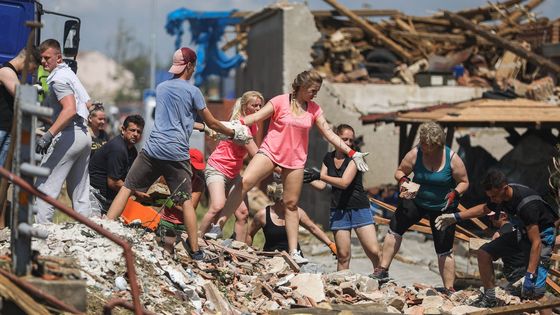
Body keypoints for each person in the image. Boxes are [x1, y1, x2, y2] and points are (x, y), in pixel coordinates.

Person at [105, 47, 251, 261]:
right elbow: (211, 121)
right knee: (185, 202)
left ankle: (105, 230)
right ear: (190, 66)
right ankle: (195, 251)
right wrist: (231, 132)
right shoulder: (193, 92)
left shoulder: (161, 87)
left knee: (127, 187)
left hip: (153, 149)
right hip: (176, 153)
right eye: (193, 66)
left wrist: (203, 128)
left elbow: (182, 119)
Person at [211, 70, 369, 264]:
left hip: (295, 160)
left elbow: (329, 133)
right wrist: (229, 127)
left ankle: (294, 251)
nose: (314, 94)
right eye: (312, 90)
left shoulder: (314, 109)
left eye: (317, 91)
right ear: (301, 87)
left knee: (291, 204)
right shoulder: (279, 101)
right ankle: (218, 226)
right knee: (245, 183)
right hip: (270, 152)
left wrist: (352, 153)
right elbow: (254, 117)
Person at [435, 170, 558, 308]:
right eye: (490, 196)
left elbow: (536, 243)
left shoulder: (527, 205)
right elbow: (485, 209)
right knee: (484, 253)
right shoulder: (501, 196)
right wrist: (455, 217)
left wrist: (529, 275)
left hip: (541, 237)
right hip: (522, 232)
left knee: (535, 292)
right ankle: (490, 298)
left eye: (494, 196)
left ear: (504, 188)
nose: (492, 200)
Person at [371, 121, 468, 292]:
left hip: (442, 205)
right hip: (417, 200)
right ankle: (382, 270)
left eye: (426, 144)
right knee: (395, 227)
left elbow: (464, 182)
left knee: (444, 247)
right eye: (421, 142)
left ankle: (449, 288)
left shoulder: (452, 159)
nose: (423, 146)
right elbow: (400, 171)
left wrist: (455, 193)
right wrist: (403, 181)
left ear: (436, 144)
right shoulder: (415, 154)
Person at [304, 124, 379, 271]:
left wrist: (319, 175)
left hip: (359, 208)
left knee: (373, 251)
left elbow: (344, 183)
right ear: (335, 138)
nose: (348, 144)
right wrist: (303, 178)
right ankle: (341, 287)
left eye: (351, 140)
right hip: (338, 211)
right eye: (345, 139)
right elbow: (321, 185)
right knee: (343, 255)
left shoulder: (355, 157)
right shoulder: (328, 157)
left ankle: (381, 274)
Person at [33, 39, 93, 223]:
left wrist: (49, 135)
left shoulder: (58, 79)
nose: (43, 62)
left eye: (47, 58)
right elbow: (88, 104)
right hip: (83, 135)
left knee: (44, 185)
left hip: (69, 135)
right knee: (80, 191)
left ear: (58, 57)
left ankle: (41, 232)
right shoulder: (69, 74)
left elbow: (69, 109)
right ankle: (87, 230)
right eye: (41, 58)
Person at [199, 91, 264, 241]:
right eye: (254, 105)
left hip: (234, 173)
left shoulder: (254, 127)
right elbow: (257, 155)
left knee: (242, 214)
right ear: (244, 107)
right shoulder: (241, 126)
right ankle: (196, 240)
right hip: (217, 168)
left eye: (260, 105)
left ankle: (238, 249)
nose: (258, 109)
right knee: (217, 206)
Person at [246, 182, 337, 256]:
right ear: (281, 201)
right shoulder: (263, 215)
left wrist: (330, 244)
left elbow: (313, 228)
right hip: (271, 258)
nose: (294, 202)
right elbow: (250, 234)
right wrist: (248, 252)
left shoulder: (297, 212)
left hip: (294, 258)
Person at [88, 115, 144, 216]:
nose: (135, 134)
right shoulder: (118, 148)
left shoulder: (132, 152)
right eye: (132, 130)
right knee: (95, 228)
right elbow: (113, 182)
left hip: (109, 198)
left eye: (139, 132)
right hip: (95, 196)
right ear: (123, 130)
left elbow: (127, 178)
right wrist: (135, 193)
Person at [157, 148, 206, 254]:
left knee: (182, 255)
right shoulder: (170, 175)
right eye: (192, 167)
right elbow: (159, 197)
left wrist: (170, 200)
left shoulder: (199, 182)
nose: (194, 171)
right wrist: (182, 204)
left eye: (196, 168)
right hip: (166, 221)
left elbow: (192, 207)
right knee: (165, 251)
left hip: (184, 225)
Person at [0, 46, 41, 167]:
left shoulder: (11, 74)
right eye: (33, 68)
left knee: (5, 176)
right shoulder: (6, 71)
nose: (32, 73)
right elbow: (23, 96)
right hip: (3, 131)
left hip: (7, 130)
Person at [488, 211, 528, 289]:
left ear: (504, 216)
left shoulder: (504, 229)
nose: (490, 218)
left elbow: (492, 254)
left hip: (516, 271)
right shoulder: (516, 228)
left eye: (493, 216)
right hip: (524, 269)